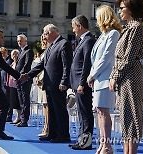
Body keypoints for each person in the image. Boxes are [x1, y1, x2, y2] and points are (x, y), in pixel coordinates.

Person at [20, 24, 72, 143]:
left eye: (45, 33)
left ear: (52, 32)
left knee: (60, 110)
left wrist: (64, 81)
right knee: (52, 110)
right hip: (49, 84)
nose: (44, 36)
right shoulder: (51, 46)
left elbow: (66, 65)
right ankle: (52, 133)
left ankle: (63, 135)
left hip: (58, 84)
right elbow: (41, 64)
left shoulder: (64, 44)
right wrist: (28, 75)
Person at [109, 0, 143, 154]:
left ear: (131, 9)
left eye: (122, 8)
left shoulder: (136, 28)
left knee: (132, 115)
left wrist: (115, 76)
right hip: (124, 75)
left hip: (131, 75)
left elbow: (129, 57)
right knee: (125, 116)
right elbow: (119, 57)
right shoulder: (128, 28)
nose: (119, 11)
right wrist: (114, 75)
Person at [87, 5, 122, 154]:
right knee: (100, 111)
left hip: (106, 78)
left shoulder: (113, 34)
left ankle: (107, 145)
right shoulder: (103, 35)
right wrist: (93, 75)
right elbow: (95, 58)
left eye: (98, 16)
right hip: (98, 79)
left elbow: (106, 58)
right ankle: (103, 143)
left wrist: (92, 74)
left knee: (104, 111)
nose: (96, 21)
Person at [69, 15, 95, 150]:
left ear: (80, 26)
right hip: (77, 83)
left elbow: (86, 64)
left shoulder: (89, 40)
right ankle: (81, 140)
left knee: (85, 113)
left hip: (82, 84)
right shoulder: (82, 40)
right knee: (80, 113)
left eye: (74, 27)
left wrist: (81, 83)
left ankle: (86, 142)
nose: (73, 30)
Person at [15, 34, 34, 127]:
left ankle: (25, 119)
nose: (19, 42)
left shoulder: (28, 51)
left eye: (20, 41)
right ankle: (22, 118)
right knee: (21, 99)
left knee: (25, 99)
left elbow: (27, 65)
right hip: (18, 79)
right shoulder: (21, 51)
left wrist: (20, 75)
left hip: (24, 79)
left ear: (25, 41)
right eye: (18, 41)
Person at [36, 35, 49, 137]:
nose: (43, 42)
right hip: (40, 82)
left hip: (45, 82)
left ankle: (47, 127)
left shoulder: (49, 51)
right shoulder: (43, 53)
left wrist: (41, 79)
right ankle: (45, 125)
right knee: (44, 105)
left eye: (44, 39)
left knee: (47, 105)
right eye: (42, 40)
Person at [7, 49, 21, 125]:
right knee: (13, 101)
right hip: (11, 84)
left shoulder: (18, 64)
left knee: (17, 101)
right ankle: (16, 116)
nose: (15, 56)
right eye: (13, 55)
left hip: (17, 84)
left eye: (16, 54)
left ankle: (19, 117)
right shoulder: (12, 64)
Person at [0, 47, 13, 122]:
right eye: (1, 53)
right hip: (2, 82)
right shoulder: (3, 60)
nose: (2, 54)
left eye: (3, 52)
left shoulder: (9, 60)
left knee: (8, 99)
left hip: (7, 82)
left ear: (6, 52)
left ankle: (8, 115)